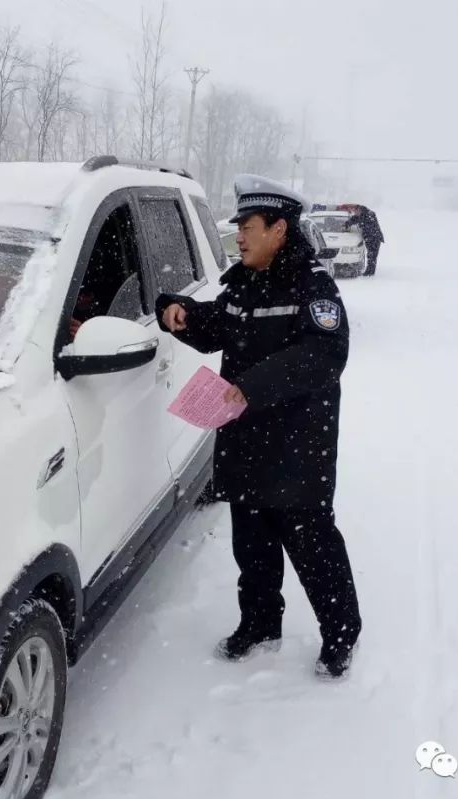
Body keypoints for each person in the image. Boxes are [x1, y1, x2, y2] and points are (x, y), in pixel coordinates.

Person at [158, 174, 362, 679]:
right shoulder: (243, 283)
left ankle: (340, 634)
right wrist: (175, 312)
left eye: (247, 227)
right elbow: (218, 328)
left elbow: (324, 354)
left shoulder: (312, 286)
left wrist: (253, 384)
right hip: (247, 442)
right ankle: (260, 623)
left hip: (297, 445)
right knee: (252, 545)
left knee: (313, 547)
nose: (240, 237)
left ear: (278, 228)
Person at [341, 203, 384, 276]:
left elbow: (368, 225)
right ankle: (369, 271)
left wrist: (361, 224)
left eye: (355, 211)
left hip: (375, 238)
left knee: (372, 255)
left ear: (359, 210)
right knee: (370, 255)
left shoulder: (370, 214)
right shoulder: (361, 215)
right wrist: (346, 224)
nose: (355, 213)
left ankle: (370, 272)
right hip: (369, 238)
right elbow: (353, 219)